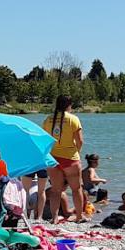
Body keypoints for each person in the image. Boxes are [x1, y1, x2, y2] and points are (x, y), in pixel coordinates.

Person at [42, 95, 86, 223]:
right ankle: (78, 216)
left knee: (56, 190)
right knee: (76, 189)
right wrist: (77, 152)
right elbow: (80, 141)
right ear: (69, 105)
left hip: (53, 158)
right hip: (70, 158)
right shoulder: (74, 119)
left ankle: (54, 218)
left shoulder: (48, 119)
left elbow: (45, 139)